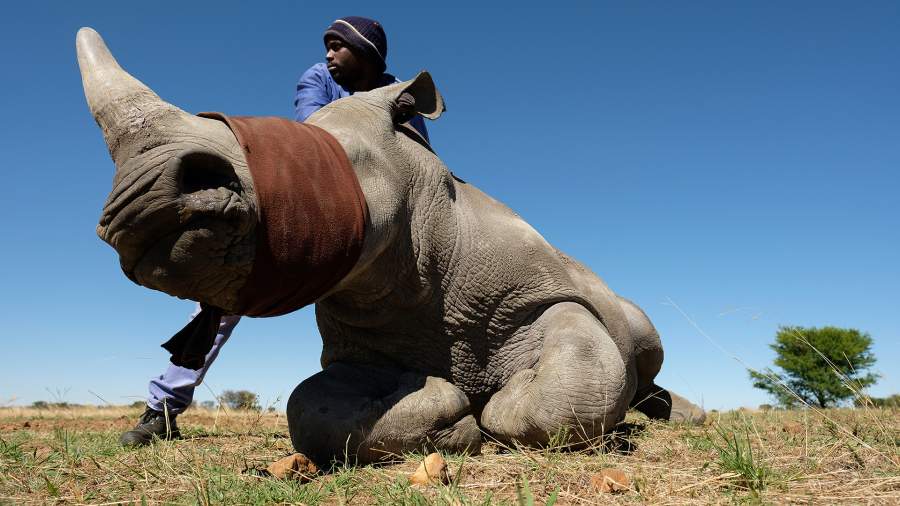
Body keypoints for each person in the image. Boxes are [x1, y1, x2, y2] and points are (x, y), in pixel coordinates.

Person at [120, 15, 429, 447]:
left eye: (339, 45)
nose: (328, 53)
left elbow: (420, 158)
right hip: (321, 202)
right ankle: (162, 409)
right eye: (327, 44)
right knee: (223, 296)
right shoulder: (318, 78)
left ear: (366, 53)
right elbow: (320, 133)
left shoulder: (398, 91)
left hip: (385, 218)